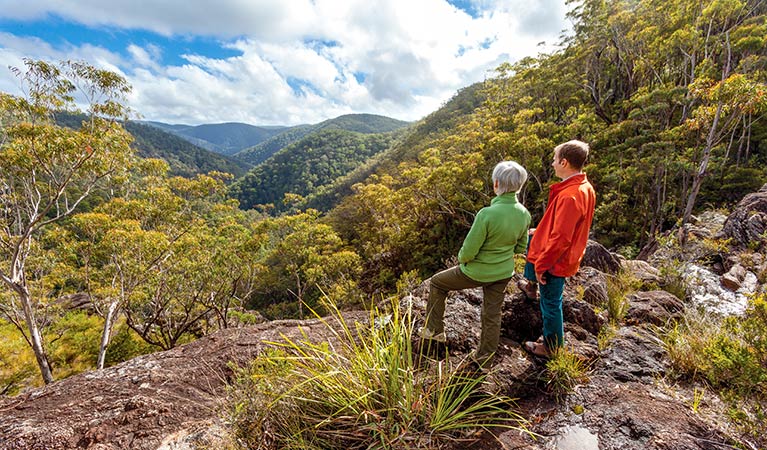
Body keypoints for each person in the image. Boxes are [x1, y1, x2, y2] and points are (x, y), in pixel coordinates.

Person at [420, 161, 531, 368]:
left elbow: (468, 251)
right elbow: (520, 248)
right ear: (520, 185)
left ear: (496, 183)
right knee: (492, 313)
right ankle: (485, 357)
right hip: (503, 272)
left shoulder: (486, 214)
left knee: (437, 283)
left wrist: (463, 260)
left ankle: (434, 331)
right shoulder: (524, 213)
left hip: (476, 272)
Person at [518, 140, 596, 358]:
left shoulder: (570, 195)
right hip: (559, 250)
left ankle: (551, 347)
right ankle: (531, 288)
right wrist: (541, 230)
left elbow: (561, 238)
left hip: (558, 260)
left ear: (564, 162)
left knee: (552, 303)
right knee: (533, 239)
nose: (552, 164)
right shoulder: (583, 186)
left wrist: (542, 266)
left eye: (554, 159)